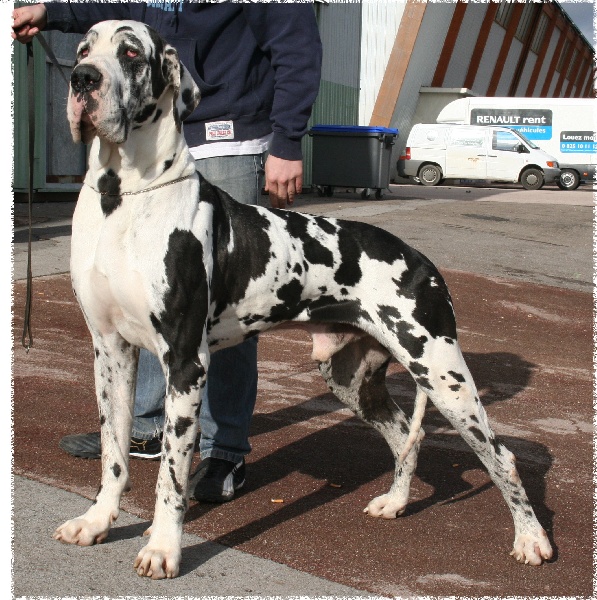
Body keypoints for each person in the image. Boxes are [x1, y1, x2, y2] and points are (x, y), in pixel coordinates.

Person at [13, 1, 322, 503]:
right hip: (150, 139)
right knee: (149, 294)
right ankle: (148, 425)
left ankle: (224, 448)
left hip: (228, 138)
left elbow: (297, 46)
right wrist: (50, 13)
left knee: (229, 306)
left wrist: (287, 140)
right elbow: (117, 8)